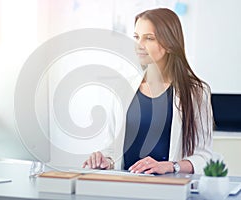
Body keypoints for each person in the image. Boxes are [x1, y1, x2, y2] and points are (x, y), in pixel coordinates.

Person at [82, 8, 213, 174]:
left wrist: (171, 166)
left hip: (170, 189)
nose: (139, 46)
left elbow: (204, 157)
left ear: (170, 44)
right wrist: (105, 160)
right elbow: (112, 151)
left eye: (149, 38)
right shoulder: (123, 88)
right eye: (137, 37)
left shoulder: (196, 93)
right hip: (126, 186)